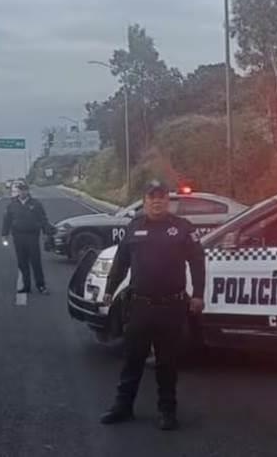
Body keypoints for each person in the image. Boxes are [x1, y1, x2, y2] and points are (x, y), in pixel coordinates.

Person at [99, 179, 206, 431]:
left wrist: (198, 294)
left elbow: (197, 263)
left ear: (168, 201)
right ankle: (122, 407)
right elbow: (120, 263)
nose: (157, 201)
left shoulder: (182, 228)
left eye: (161, 197)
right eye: (152, 197)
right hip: (140, 306)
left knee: (167, 362)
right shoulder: (133, 227)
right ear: (145, 201)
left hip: (171, 307)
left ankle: (167, 411)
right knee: (132, 359)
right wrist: (109, 291)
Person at [0, 181, 53, 295]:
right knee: (22, 262)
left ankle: (41, 285)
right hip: (18, 236)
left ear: (28, 191)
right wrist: (4, 235)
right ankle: (26, 286)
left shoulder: (36, 204)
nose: (22, 192)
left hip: (32, 236)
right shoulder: (12, 205)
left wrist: (46, 233)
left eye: (24, 190)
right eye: (20, 190)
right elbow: (7, 220)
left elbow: (43, 219)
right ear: (18, 191)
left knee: (35, 262)